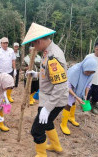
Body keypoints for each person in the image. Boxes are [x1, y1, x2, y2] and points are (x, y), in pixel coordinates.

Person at [22, 23, 68, 156]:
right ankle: (56, 146)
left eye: (34, 44)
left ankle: (41, 154)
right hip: (48, 97)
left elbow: (60, 86)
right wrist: (35, 74)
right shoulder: (46, 52)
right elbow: (49, 76)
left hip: (54, 100)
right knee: (47, 123)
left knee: (36, 130)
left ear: (39, 41)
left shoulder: (54, 56)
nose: (34, 48)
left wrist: (47, 108)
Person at [60, 57, 97, 135]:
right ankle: (63, 124)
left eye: (91, 72)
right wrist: (76, 96)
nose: (88, 74)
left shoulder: (91, 74)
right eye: (87, 72)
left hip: (77, 89)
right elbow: (67, 86)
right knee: (68, 104)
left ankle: (71, 117)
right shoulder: (75, 71)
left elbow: (88, 85)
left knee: (73, 103)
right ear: (85, 67)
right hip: (68, 88)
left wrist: (86, 95)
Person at [0, 37, 16, 103]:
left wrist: (15, 69)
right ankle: (3, 97)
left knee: (10, 85)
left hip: (10, 71)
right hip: (1, 72)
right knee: (2, 86)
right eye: (4, 43)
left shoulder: (11, 50)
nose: (5, 45)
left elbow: (13, 60)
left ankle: (8, 96)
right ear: (1, 44)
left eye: (6, 43)